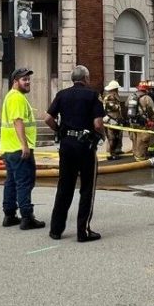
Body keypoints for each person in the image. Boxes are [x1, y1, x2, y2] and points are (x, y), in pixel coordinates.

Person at [45, 65, 107, 242]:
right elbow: (97, 124)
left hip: (66, 145)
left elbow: (48, 118)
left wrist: (59, 130)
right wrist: (103, 136)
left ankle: (56, 229)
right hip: (85, 146)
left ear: (73, 79)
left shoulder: (62, 94)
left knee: (64, 187)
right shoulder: (93, 95)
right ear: (86, 78)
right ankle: (83, 231)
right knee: (87, 188)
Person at [0, 67, 45, 230]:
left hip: (9, 148)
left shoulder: (11, 96)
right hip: (19, 149)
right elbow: (17, 121)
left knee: (11, 182)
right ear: (15, 81)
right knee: (24, 182)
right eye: (24, 79)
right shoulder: (17, 98)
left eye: (28, 79)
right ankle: (27, 217)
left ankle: (9, 215)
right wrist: (24, 145)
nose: (28, 82)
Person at [129, 81, 154, 161]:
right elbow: (153, 111)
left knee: (135, 138)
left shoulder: (131, 96)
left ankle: (135, 154)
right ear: (146, 89)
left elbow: (127, 106)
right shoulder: (147, 98)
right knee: (142, 140)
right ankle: (141, 157)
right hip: (142, 123)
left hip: (132, 121)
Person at [101, 80, 125, 160]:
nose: (118, 90)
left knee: (116, 137)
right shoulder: (110, 97)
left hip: (114, 120)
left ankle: (115, 151)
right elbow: (112, 108)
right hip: (111, 121)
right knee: (112, 138)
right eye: (117, 89)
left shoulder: (113, 96)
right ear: (114, 89)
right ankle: (111, 154)